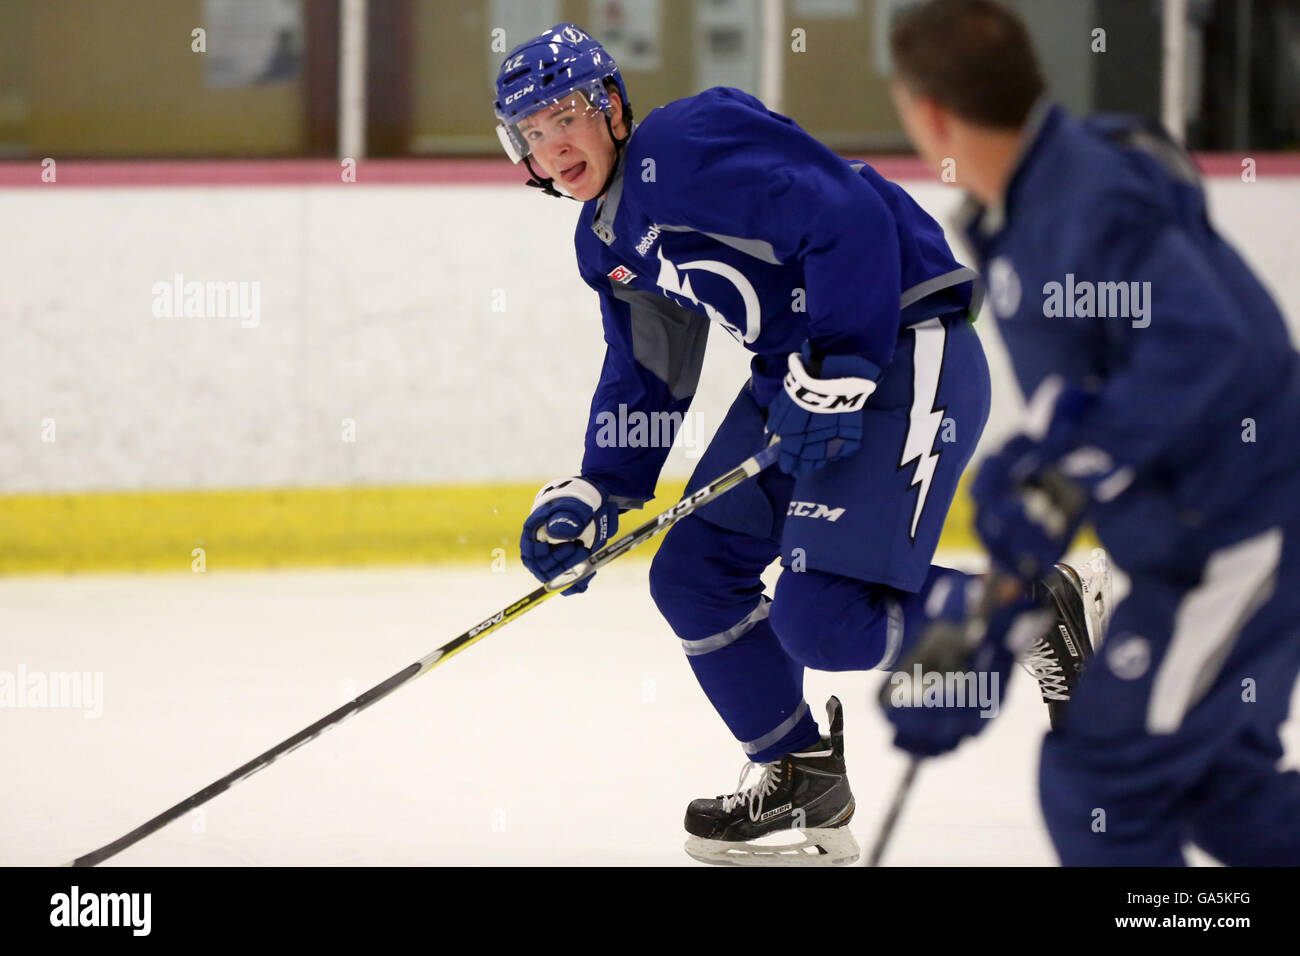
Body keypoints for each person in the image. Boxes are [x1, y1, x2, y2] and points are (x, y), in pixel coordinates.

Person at [493, 22, 1099, 866]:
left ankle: (1036, 609)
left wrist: (846, 361)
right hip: (798, 380)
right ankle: (797, 773)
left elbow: (844, 212)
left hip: (901, 349)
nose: (552, 146)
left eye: (564, 117)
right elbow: (652, 369)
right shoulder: (605, 245)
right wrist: (602, 488)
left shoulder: (683, 141)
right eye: (531, 133)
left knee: (827, 624)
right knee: (693, 575)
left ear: (611, 108)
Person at [886, 0, 1300, 865]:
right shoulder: (1029, 206)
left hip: (1238, 533)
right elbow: (1089, 395)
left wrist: (1065, 472)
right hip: (1192, 538)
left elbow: (1204, 342)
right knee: (1224, 796)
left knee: (1102, 779)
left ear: (929, 113)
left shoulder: (1084, 199)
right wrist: (1003, 586)